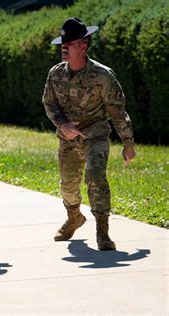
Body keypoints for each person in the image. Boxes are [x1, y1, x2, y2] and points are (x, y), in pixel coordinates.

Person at [42, 17, 136, 250]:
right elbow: (49, 103)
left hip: (96, 134)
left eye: (69, 43)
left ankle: (102, 232)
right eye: (63, 43)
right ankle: (74, 217)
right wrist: (63, 125)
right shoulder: (55, 74)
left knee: (95, 176)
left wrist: (128, 143)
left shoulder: (103, 76)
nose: (64, 47)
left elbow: (117, 111)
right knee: (68, 186)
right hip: (68, 138)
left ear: (83, 45)